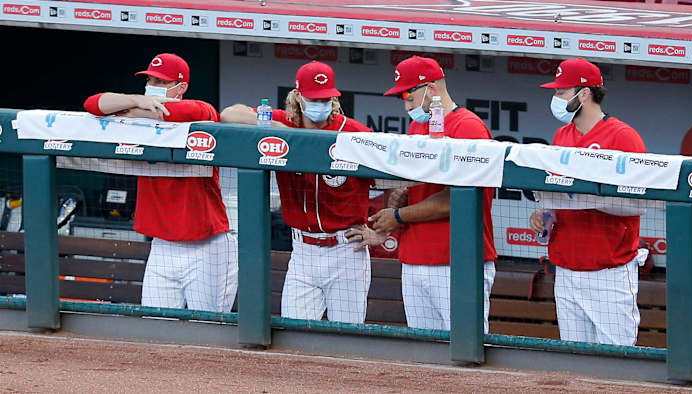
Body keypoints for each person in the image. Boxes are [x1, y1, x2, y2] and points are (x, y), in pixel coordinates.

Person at [346, 56, 497, 332]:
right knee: (426, 352)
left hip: (457, 261)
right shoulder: (419, 126)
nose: (406, 105)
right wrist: (401, 199)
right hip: (415, 259)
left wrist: (398, 216)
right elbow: (420, 186)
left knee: (466, 347)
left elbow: (457, 199)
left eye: (409, 96)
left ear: (432, 89)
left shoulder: (468, 127)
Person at [83, 53, 237, 313]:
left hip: (207, 246)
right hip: (162, 246)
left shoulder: (202, 111)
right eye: (151, 79)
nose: (153, 85)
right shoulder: (141, 110)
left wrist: (131, 111)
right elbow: (93, 104)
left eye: (162, 82)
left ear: (181, 87)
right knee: (156, 327)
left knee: (209, 329)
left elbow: (180, 111)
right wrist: (137, 101)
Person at [221, 61, 373, 324]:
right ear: (299, 96)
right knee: (295, 330)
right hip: (302, 250)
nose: (322, 104)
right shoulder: (282, 121)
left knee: (348, 335)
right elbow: (230, 114)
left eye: (327, 98)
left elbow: (396, 179)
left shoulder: (355, 132)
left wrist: (381, 229)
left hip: (346, 249)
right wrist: (285, 132)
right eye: (315, 98)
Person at [530, 58, 646, 346]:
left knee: (616, 360)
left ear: (584, 93)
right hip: (566, 268)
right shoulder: (562, 135)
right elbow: (558, 195)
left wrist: (585, 198)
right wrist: (544, 213)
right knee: (575, 362)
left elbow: (639, 204)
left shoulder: (622, 136)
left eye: (560, 92)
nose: (555, 99)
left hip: (609, 271)